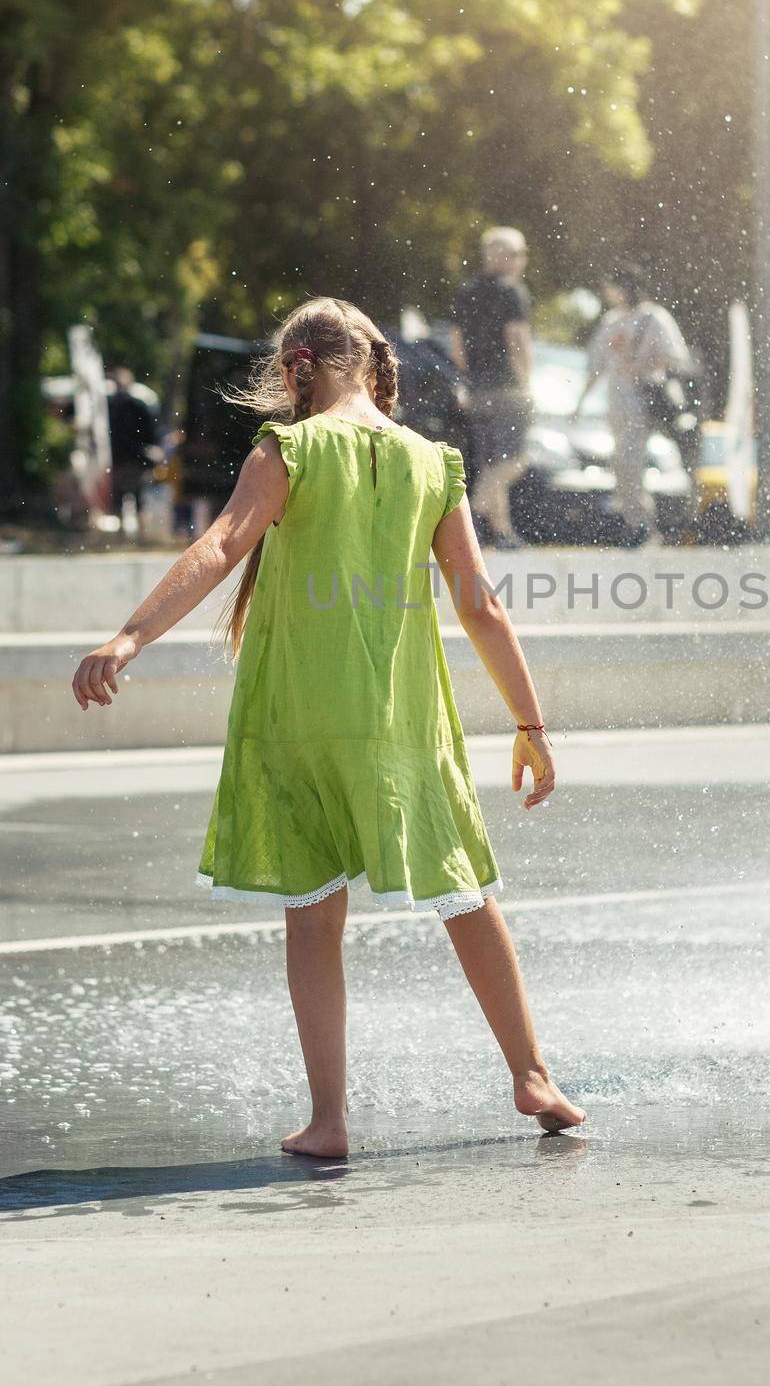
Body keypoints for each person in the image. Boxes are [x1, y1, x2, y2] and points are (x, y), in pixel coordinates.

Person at [71, 297, 585, 1158]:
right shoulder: (432, 460)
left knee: (314, 916)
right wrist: (530, 722)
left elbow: (222, 546)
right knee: (464, 890)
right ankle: (532, 1074)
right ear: (375, 365)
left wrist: (130, 637)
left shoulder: (289, 449)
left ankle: (330, 1120)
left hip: (300, 717)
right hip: (403, 721)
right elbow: (481, 605)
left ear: (293, 371)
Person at [571, 265, 695, 544]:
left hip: (642, 401)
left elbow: (675, 357)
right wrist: (580, 402)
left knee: (631, 460)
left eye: (611, 287)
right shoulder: (611, 321)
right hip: (616, 403)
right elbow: (596, 366)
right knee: (622, 462)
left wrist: (639, 366)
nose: (606, 293)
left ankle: (640, 522)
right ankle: (633, 518)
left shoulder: (654, 317)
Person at [450, 226, 535, 549]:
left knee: (490, 462)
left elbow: (458, 349)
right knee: (514, 461)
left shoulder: (465, 292)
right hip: (508, 389)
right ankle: (471, 511)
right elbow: (518, 343)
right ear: (499, 256)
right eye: (517, 254)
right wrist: (526, 384)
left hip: (477, 390)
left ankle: (503, 534)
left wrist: (472, 379)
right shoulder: (511, 291)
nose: (521, 260)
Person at [106, 366, 161, 518]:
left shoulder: (117, 405)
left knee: (132, 497)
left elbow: (149, 431)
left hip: (131, 458)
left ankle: (131, 533)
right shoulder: (113, 405)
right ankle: (124, 532)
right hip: (124, 458)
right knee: (124, 497)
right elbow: (151, 432)